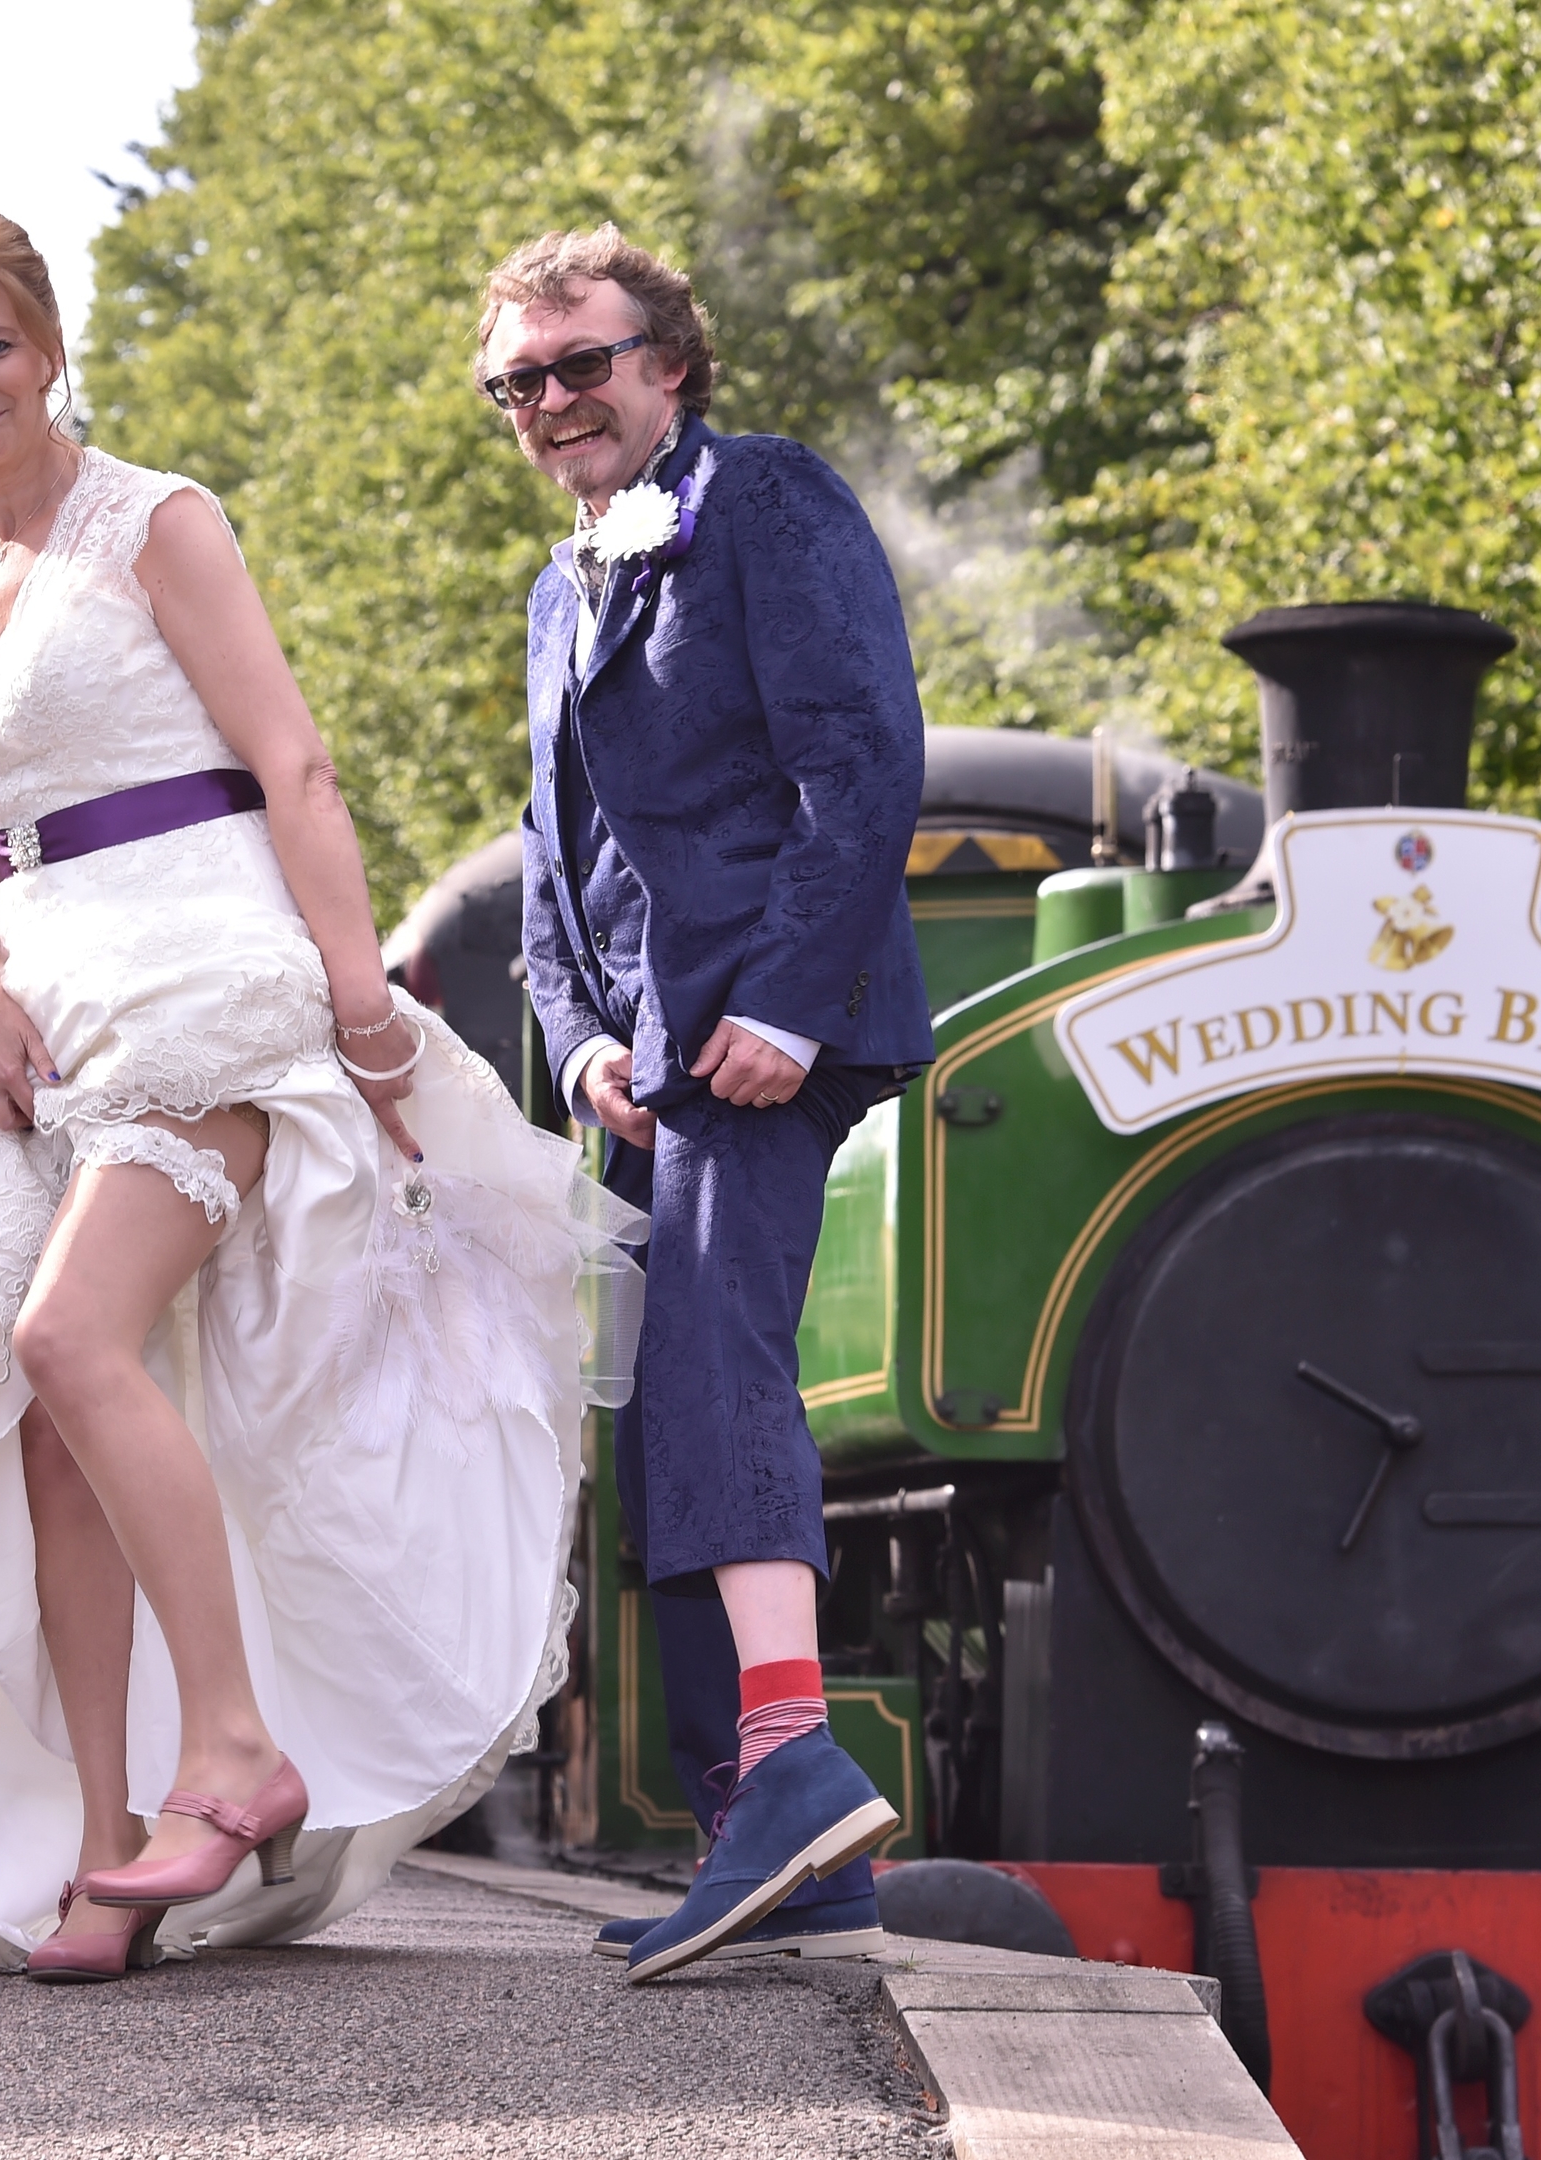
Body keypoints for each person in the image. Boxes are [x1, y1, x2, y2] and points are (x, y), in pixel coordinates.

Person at [0, 200, 634, 1983]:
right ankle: (102, 1858)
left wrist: (359, 1011)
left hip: (211, 975)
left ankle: (229, 1746)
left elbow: (296, 763)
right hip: (47, 1003)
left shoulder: (159, 522)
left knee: (63, 1340)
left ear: (46, 341)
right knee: (49, 1456)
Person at [491, 225, 932, 1980]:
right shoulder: (558, 586)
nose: (549, 401)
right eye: (516, 380)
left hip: (762, 1027)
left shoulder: (766, 499)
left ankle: (793, 1762)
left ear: (670, 359)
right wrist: (580, 1037)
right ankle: (765, 1822)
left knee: (719, 1367)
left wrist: (785, 1003)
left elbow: (862, 756)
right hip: (646, 1062)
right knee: (664, 1400)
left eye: (579, 362)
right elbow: (551, 856)